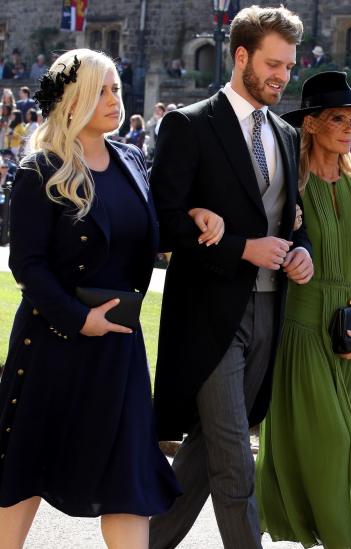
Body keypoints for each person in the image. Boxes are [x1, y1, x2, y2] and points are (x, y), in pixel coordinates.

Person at [0, 48, 181, 549]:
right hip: (53, 346)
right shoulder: (42, 168)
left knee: (128, 479)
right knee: (24, 468)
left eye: (116, 89)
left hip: (118, 347)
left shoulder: (130, 158)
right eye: (100, 90)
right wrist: (79, 320)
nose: (113, 99)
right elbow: (27, 266)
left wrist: (195, 226)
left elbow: (145, 234)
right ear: (73, 99)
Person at [147, 7, 312, 549]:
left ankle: (144, 544)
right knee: (236, 464)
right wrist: (243, 248)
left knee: (211, 446)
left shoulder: (287, 134)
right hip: (209, 316)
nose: (282, 77)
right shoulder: (189, 124)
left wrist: (301, 253)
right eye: (272, 64)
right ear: (240, 56)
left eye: (288, 67)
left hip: (270, 311)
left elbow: (292, 221)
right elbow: (163, 223)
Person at [255, 71, 351, 548]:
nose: (349, 128)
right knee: (332, 438)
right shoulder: (286, 186)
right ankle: (348, 537)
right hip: (299, 322)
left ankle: (321, 526)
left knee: (334, 436)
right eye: (338, 118)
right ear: (310, 124)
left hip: (347, 326)